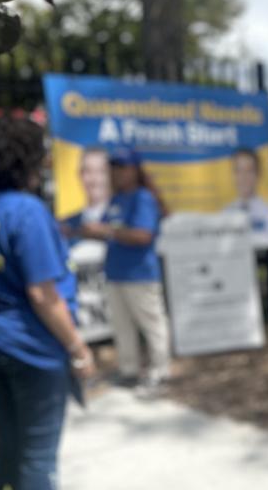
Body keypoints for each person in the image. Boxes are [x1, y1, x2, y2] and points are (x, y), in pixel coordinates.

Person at [0, 117, 94, 490]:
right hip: (32, 346)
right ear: (24, 159)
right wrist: (78, 349)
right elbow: (43, 295)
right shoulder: (27, 211)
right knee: (38, 457)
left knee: (11, 442)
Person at [79, 146, 171, 394]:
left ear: (134, 169)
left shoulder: (143, 197)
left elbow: (142, 235)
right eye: (113, 167)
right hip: (116, 272)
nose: (116, 172)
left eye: (121, 167)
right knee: (122, 326)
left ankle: (160, 372)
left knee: (152, 324)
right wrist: (93, 232)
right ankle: (129, 370)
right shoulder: (118, 198)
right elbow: (113, 232)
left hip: (140, 274)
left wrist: (106, 231)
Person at [58, 147, 113, 238]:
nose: (94, 179)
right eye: (88, 171)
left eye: (101, 171)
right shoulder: (66, 225)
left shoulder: (126, 221)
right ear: (80, 175)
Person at [222, 148, 268, 245]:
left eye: (249, 170)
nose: (243, 177)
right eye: (238, 171)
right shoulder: (225, 214)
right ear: (232, 175)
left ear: (258, 174)